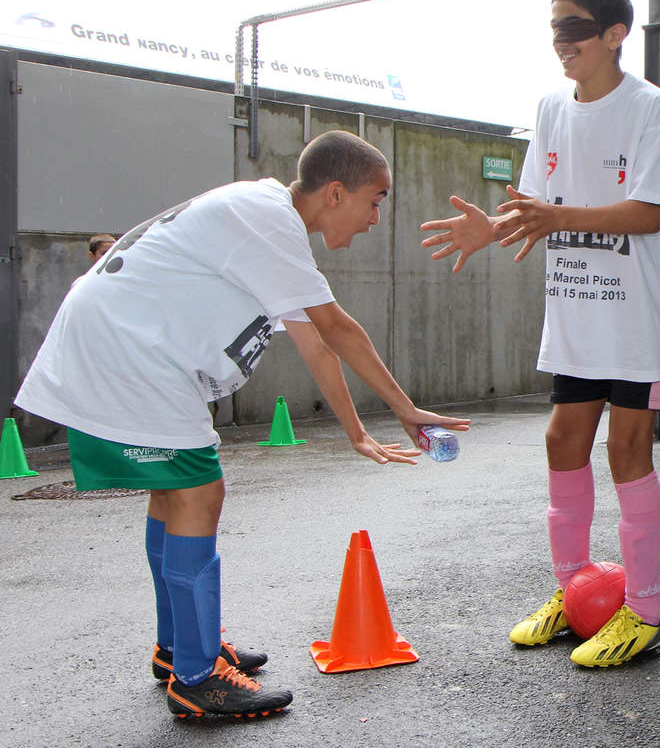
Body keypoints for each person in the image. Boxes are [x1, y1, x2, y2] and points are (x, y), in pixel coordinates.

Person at [14, 130, 469, 718]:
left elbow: (314, 342)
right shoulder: (269, 219)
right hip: (128, 352)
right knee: (201, 491)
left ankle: (179, 649)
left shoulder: (266, 219)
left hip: (129, 346)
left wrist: (356, 430)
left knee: (176, 494)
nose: (376, 218)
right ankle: (199, 678)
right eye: (376, 200)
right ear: (336, 193)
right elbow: (337, 328)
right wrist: (406, 408)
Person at [419, 0, 660, 668]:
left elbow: (648, 211)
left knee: (628, 451)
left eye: (574, 28)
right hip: (578, 309)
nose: (560, 42)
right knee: (562, 439)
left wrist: (554, 217)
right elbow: (532, 205)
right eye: (554, 29)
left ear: (613, 34)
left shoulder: (650, 108)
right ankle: (573, 594)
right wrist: (493, 228)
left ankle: (646, 613)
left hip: (637, 315)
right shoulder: (549, 107)